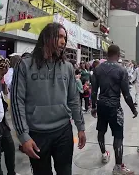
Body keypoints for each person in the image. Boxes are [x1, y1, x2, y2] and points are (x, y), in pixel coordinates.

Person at [11, 23, 86, 175]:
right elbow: (16, 102)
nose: (64, 41)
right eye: (59, 36)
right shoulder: (24, 65)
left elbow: (74, 100)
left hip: (63, 132)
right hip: (37, 134)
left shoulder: (67, 67)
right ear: (46, 37)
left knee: (65, 172)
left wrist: (81, 127)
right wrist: (24, 136)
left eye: (65, 37)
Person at [91, 45, 138, 175]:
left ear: (107, 54)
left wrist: (94, 107)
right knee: (118, 136)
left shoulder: (98, 69)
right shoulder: (121, 70)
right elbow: (127, 94)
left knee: (101, 131)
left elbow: (94, 91)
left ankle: (103, 154)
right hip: (114, 107)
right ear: (118, 55)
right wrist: (133, 109)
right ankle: (118, 167)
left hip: (101, 105)